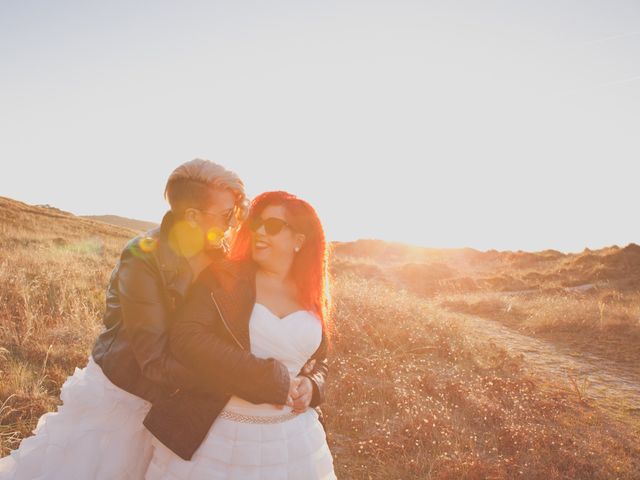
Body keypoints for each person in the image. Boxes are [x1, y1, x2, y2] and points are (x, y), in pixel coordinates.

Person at [0, 161, 326, 479]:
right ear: (193, 216)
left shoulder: (220, 254)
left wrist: (299, 381)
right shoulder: (142, 257)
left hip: (184, 399)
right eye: (228, 215)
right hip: (130, 395)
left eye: (237, 214)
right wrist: (248, 380)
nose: (235, 224)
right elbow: (154, 361)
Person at [144, 191, 336, 479]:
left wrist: (312, 384)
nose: (259, 231)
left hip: (292, 439)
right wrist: (268, 379)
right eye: (256, 223)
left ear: (299, 240)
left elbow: (319, 360)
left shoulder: (312, 295)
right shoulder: (224, 276)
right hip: (218, 434)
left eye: (272, 226)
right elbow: (187, 338)